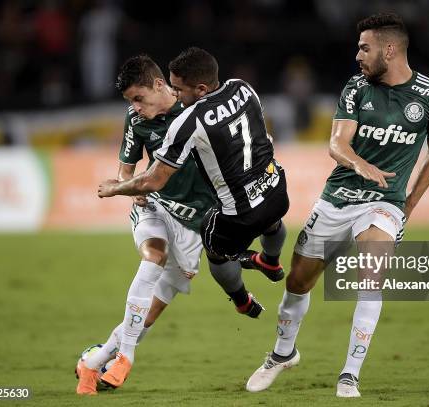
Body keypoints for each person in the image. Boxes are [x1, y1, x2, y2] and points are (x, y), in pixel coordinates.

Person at [245, 13, 429, 398]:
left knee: (370, 277)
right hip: (338, 199)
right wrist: (360, 163)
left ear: (389, 49)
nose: (357, 55)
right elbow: (337, 144)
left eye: (364, 47)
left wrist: (409, 202)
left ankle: (349, 375)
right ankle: (282, 354)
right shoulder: (356, 88)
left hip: (384, 204)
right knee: (297, 281)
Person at [97, 47, 289, 318]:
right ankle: (269, 261)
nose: (176, 94)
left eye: (179, 89)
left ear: (199, 89)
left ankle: (241, 295)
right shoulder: (242, 87)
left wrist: (115, 189)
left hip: (233, 208)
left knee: (216, 248)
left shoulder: (189, 120)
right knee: (271, 222)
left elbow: (153, 179)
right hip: (274, 189)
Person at [76, 55, 216, 395]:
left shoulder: (195, 111)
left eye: (138, 99)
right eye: (130, 102)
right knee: (154, 255)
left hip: (195, 222)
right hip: (156, 205)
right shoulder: (135, 120)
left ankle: (94, 362)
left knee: (147, 316)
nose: (135, 108)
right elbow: (126, 168)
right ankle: (125, 356)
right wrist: (132, 189)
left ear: (159, 85)